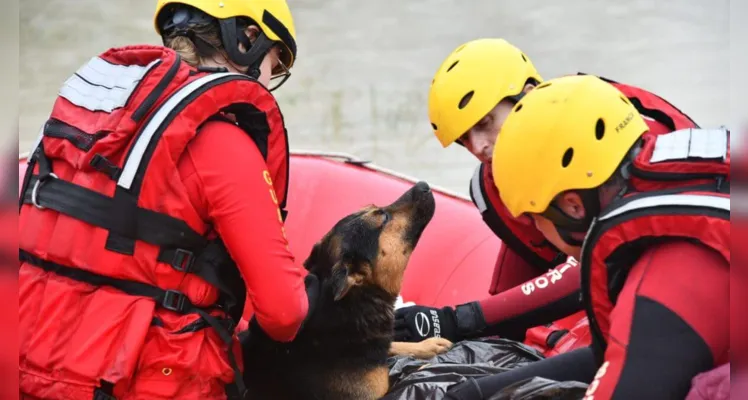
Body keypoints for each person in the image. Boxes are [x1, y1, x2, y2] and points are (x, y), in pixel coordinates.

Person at [18, 1, 317, 399]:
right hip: (145, 383)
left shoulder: (88, 119)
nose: (269, 79)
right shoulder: (223, 144)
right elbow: (284, 315)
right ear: (248, 39)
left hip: (28, 371)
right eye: (274, 65)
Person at [394, 38, 700, 353]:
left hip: (694, 284)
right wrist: (458, 330)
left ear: (526, 93)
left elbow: (598, 261)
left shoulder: (612, 128)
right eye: (464, 140)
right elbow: (509, 297)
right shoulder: (498, 179)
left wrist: (458, 319)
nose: (478, 147)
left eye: (485, 123)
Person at [445, 74, 729, 399]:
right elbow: (610, 356)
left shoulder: (664, 286)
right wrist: (473, 393)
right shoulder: (686, 172)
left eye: (535, 217)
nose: (536, 230)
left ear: (573, 206)